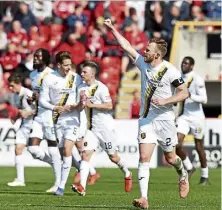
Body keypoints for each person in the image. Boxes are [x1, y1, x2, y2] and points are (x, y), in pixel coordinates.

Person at [103, 19, 189, 209]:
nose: (144, 52)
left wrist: (166, 101)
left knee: (171, 158)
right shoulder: (143, 63)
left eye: (148, 50)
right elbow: (126, 46)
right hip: (146, 119)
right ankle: (144, 198)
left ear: (157, 55)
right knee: (143, 158)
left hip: (165, 120)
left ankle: (182, 174)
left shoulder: (170, 71)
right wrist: (112, 29)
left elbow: (184, 92)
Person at [71, 61, 133, 196]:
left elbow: (109, 106)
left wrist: (91, 105)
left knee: (113, 157)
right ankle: (82, 187)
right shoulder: (80, 88)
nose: (81, 74)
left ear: (92, 74)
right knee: (85, 155)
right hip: (91, 129)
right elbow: (81, 106)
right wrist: (80, 105)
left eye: (84, 72)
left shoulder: (101, 88)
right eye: (81, 72)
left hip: (104, 128)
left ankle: (127, 172)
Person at [39, 51, 84, 196]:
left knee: (66, 149)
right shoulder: (48, 79)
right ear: (58, 65)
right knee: (61, 151)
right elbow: (42, 100)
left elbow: (82, 96)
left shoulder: (76, 78)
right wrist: (55, 108)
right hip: (57, 119)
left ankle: (61, 187)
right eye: (65, 65)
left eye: (70, 65)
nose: (68, 68)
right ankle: (83, 168)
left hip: (73, 120)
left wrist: (79, 105)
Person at [28, 48, 62, 193]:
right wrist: (32, 99)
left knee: (52, 148)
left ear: (46, 59)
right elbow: (35, 96)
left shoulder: (52, 74)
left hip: (49, 115)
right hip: (38, 115)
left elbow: (57, 94)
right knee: (33, 149)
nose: (35, 59)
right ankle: (56, 164)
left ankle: (58, 183)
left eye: (38, 57)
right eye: (34, 56)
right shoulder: (32, 74)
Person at [176, 56, 208, 185]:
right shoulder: (179, 77)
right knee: (176, 144)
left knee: (199, 147)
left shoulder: (197, 79)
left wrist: (190, 95)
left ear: (192, 66)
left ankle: (205, 175)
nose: (183, 65)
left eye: (186, 63)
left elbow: (204, 99)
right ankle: (189, 167)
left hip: (197, 117)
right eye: (182, 62)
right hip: (185, 116)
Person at [7, 73, 34, 186]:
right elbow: (21, 111)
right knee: (18, 149)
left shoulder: (28, 94)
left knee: (36, 152)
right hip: (24, 125)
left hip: (34, 124)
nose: (10, 88)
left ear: (18, 84)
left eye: (12, 85)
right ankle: (20, 180)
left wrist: (28, 113)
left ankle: (58, 165)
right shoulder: (16, 95)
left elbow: (38, 109)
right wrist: (16, 118)